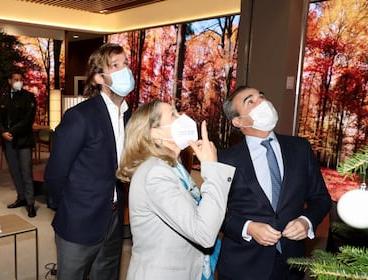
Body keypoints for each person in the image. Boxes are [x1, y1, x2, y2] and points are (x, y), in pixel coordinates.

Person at [217, 86, 332, 280]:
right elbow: (212, 213)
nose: (261, 102)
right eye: (250, 101)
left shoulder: (300, 149)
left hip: (291, 265)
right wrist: (249, 227)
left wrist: (306, 221)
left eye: (261, 96)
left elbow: (320, 199)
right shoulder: (225, 159)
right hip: (242, 266)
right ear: (238, 121)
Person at [117, 100, 235, 280]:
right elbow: (203, 233)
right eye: (173, 115)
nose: (182, 117)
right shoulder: (156, 173)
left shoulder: (173, 168)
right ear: (155, 133)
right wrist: (213, 170)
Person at [44, 43, 134, 280]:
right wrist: (67, 208)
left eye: (125, 63)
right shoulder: (80, 116)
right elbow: (55, 173)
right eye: (115, 65)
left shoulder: (128, 116)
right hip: (78, 220)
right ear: (98, 78)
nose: (125, 69)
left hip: (114, 218)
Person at [0, 70, 37, 218]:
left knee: (26, 171)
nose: (18, 81)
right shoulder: (4, 98)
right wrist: (2, 132)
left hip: (23, 140)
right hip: (8, 141)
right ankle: (21, 197)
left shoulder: (29, 97)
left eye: (20, 79)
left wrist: (10, 131)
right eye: (15, 79)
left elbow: (27, 120)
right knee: (14, 171)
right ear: (9, 81)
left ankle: (30, 203)